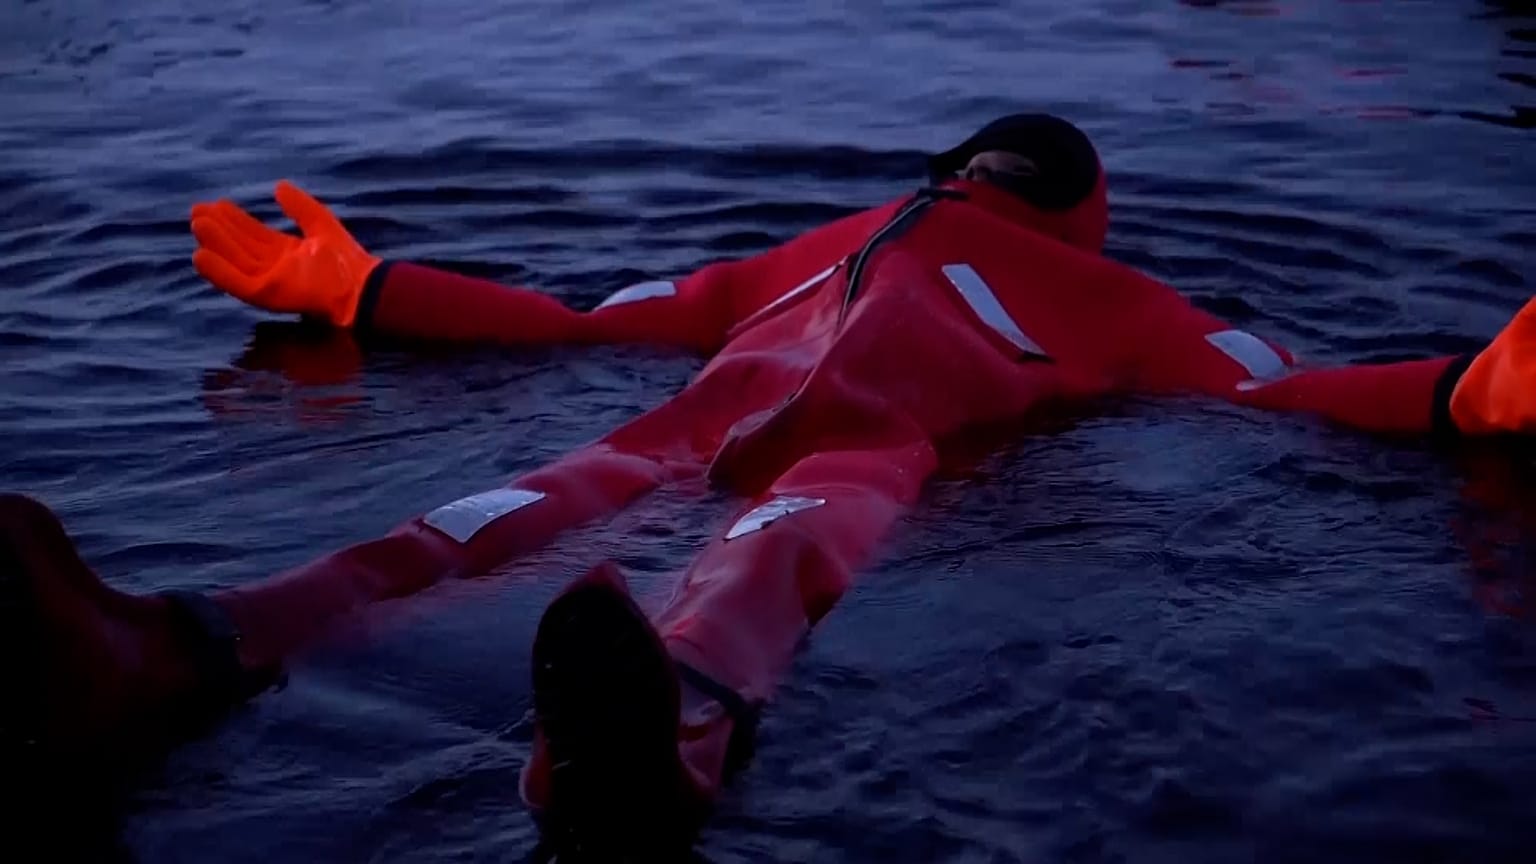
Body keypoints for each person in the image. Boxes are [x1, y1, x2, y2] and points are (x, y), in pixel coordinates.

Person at [6, 113, 1535, 858]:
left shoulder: (836, 252)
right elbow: (1275, 390)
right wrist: (1463, 389)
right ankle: (643, 738)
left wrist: (376, 291)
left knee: (460, 529)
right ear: (1090, 213)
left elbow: (586, 321)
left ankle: (188, 648)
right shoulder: (1106, 294)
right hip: (839, 443)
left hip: (716, 426)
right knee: (750, 567)